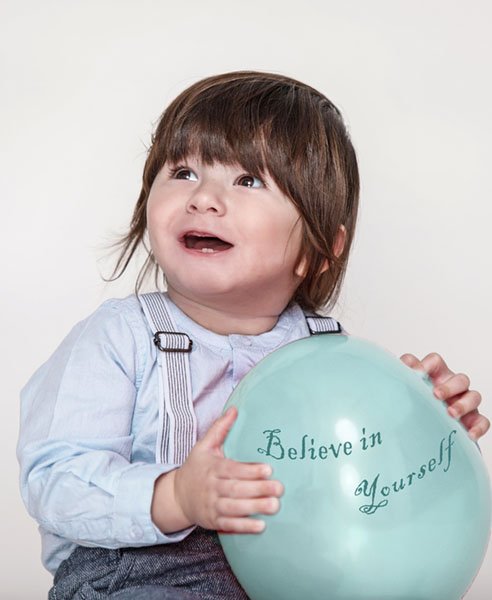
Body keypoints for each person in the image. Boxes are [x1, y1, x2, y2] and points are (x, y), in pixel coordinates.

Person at [17, 71, 489, 600]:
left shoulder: (330, 356)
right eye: (183, 171)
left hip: (297, 571)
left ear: (320, 248)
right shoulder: (118, 337)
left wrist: (430, 427)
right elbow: (54, 481)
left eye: (248, 181)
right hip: (145, 573)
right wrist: (175, 496)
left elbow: (360, 482)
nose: (204, 198)